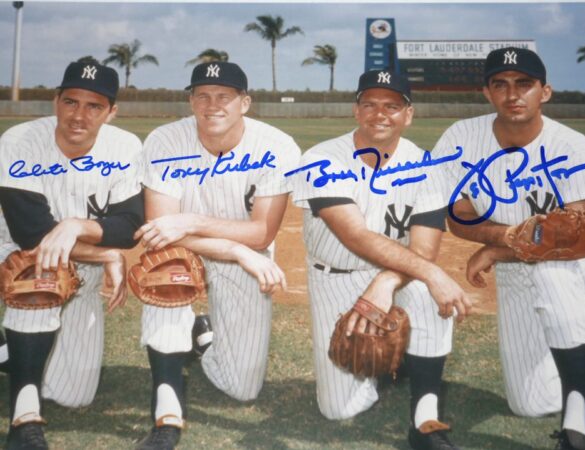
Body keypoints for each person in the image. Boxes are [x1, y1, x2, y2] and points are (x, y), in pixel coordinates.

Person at [287, 69, 472, 450]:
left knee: (426, 289)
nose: (380, 113)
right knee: (338, 408)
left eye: (392, 105)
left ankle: (425, 416)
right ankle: (395, 359)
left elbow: (424, 251)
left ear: (408, 114)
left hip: (398, 273)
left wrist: (387, 281)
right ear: (356, 111)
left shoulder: (428, 166)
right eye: (369, 104)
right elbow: (353, 234)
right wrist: (427, 273)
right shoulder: (321, 158)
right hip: (336, 274)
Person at [434, 47, 585, 450]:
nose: (513, 94)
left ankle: (579, 427)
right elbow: (457, 213)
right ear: (487, 92)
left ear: (545, 92)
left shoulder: (574, 147)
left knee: (551, 270)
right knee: (529, 403)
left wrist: (496, 250)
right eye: (501, 84)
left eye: (524, 84)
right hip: (518, 265)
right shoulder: (461, 137)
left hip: (583, 258)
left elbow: (573, 237)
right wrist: (504, 240)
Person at [134, 61, 301, 449]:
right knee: (165, 273)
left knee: (242, 387)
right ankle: (167, 411)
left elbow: (261, 232)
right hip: (183, 251)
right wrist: (232, 249)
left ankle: (199, 336)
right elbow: (161, 231)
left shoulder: (276, 146)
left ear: (245, 103)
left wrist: (190, 221)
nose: (212, 105)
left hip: (245, 253)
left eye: (224, 96)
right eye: (202, 95)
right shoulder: (165, 141)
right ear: (191, 101)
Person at [0, 60, 143, 449]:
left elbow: (130, 225)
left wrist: (76, 225)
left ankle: (9, 349)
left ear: (111, 112)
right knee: (40, 276)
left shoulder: (126, 147)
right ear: (55, 101)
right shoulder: (20, 141)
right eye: (71, 101)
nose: (79, 115)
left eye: (94, 106)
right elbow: (30, 230)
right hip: (18, 252)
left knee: (73, 394)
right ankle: (24, 415)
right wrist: (107, 256)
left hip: (84, 258)